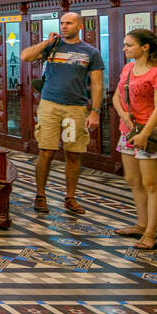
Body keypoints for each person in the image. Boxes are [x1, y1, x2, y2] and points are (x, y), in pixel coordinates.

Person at [19, 12, 104, 214]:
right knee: (46, 151)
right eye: (62, 23)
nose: (64, 26)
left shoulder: (90, 52)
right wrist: (46, 42)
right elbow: (25, 56)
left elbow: (97, 84)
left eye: (69, 23)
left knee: (73, 153)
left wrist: (95, 111)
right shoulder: (53, 46)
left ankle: (70, 197)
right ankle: (40, 196)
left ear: (79, 26)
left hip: (75, 108)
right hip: (50, 106)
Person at [111, 29, 157, 250]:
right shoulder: (128, 68)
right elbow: (117, 96)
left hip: (151, 133)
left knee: (151, 184)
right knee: (133, 180)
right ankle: (141, 224)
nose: (124, 49)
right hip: (127, 131)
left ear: (144, 47)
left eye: (129, 45)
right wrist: (123, 114)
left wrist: (145, 133)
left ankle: (151, 232)